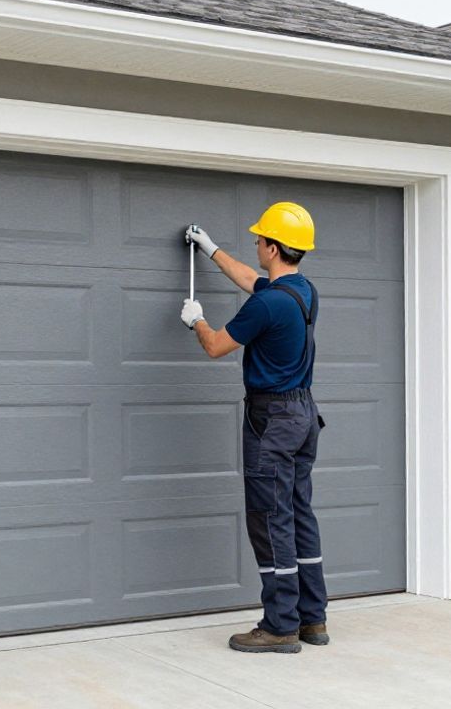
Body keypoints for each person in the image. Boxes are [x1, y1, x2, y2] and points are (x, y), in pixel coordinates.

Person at [180, 202, 328, 654]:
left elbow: (216, 346)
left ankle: (280, 625)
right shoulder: (302, 292)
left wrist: (196, 320)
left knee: (270, 519)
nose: (257, 243)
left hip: (273, 421)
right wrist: (211, 250)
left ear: (276, 247)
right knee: (299, 512)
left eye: (261, 239)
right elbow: (250, 279)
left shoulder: (267, 305)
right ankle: (312, 619)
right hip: (303, 416)